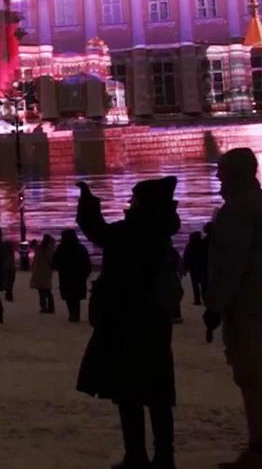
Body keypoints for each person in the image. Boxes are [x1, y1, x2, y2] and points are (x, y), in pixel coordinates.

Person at [76, 178, 179, 469]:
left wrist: (88, 201)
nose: (129, 203)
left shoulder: (131, 232)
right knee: (157, 396)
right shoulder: (160, 234)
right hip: (155, 324)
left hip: (124, 321)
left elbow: (97, 231)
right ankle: (164, 456)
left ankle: (136, 455)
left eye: (134, 198)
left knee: (128, 395)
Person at [205, 148, 262, 466]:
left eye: (222, 172)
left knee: (250, 372)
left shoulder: (238, 210)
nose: (218, 178)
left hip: (245, 302)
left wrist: (215, 305)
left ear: (236, 175)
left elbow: (232, 264)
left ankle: (261, 442)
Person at [52, 229, 92, 323]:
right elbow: (86, 262)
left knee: (69, 296)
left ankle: (72, 313)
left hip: (66, 276)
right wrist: (86, 273)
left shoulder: (61, 248)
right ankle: (76, 314)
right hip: (79, 276)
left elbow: (55, 261)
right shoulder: (80, 248)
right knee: (76, 297)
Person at [181, 229, 210, 306]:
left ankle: (197, 300)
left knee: (195, 285)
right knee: (204, 285)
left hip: (193, 268)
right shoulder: (205, 244)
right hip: (203, 268)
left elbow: (186, 257)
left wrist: (185, 268)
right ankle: (205, 299)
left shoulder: (190, 245)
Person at [29, 234, 56, 314]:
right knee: (47, 290)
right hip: (46, 271)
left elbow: (33, 247)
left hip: (38, 271)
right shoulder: (50, 250)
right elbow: (51, 260)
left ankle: (43, 307)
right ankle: (50, 307)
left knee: (41, 291)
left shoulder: (39, 248)